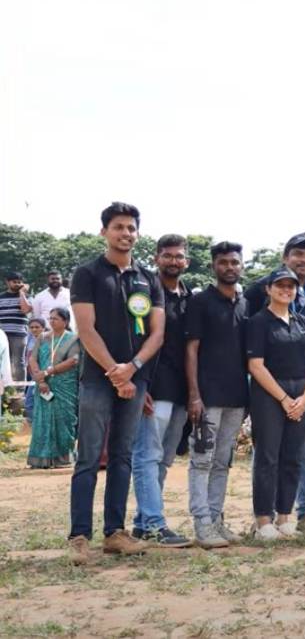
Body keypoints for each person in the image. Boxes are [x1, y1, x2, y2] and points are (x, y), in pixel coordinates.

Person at [67, 202, 165, 565]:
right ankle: (79, 537)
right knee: (89, 458)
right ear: (104, 231)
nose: (126, 233)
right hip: (97, 379)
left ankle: (114, 533)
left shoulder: (147, 278)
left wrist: (134, 368)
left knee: (123, 457)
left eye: (131, 228)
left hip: (134, 381)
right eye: (119, 227)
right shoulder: (88, 274)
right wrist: (114, 371)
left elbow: (157, 333)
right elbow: (86, 329)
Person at [246, 232, 305, 532]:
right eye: (298, 253)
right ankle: (264, 517)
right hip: (268, 386)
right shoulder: (258, 293)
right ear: (285, 257)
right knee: (267, 453)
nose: (304, 260)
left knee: (304, 451)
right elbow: (250, 352)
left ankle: (303, 512)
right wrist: (282, 397)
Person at [184, 241, 249, 549]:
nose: (229, 267)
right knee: (201, 461)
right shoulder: (200, 302)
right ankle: (202, 524)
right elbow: (191, 350)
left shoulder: (244, 302)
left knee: (222, 462)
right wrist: (194, 395)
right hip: (206, 398)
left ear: (241, 265)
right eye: (223, 262)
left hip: (236, 397)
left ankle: (216, 519)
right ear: (213, 266)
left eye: (234, 262)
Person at [130, 235, 192, 547]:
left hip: (181, 392)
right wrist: (141, 385)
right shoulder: (143, 292)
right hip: (154, 389)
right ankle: (154, 523)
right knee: (147, 457)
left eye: (179, 256)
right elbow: (135, 340)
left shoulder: (188, 295)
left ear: (187, 262)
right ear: (156, 258)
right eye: (167, 256)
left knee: (164, 460)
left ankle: (143, 522)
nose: (173, 261)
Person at [26, 307, 80, 469]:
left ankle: (63, 457)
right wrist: (40, 379)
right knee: (42, 420)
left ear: (65, 321)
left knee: (64, 419)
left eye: (55, 318)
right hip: (43, 385)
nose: (51, 321)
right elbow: (32, 359)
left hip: (65, 386)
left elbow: (73, 361)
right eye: (50, 318)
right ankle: (41, 458)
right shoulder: (42, 338)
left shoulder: (73, 339)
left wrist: (49, 371)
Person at [1, 272, 32, 383]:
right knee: (3, 361)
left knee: (19, 362)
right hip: (3, 334)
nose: (17, 284)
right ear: (7, 282)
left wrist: (22, 293)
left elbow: (26, 310)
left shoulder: (26, 296)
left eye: (20, 282)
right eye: (15, 282)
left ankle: (20, 389)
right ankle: (5, 387)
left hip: (19, 333)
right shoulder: (1, 297)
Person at [22, 318, 46, 418]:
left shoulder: (48, 341)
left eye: (37, 327)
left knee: (45, 402)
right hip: (33, 378)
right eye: (31, 327)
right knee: (30, 404)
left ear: (43, 328)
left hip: (45, 378)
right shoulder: (30, 341)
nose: (34, 329)